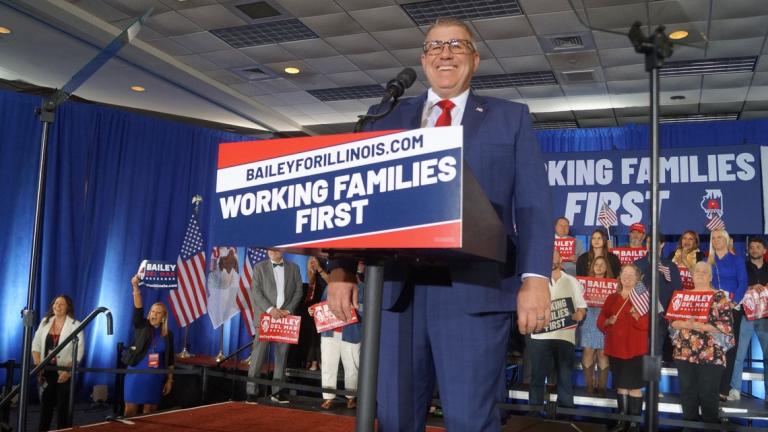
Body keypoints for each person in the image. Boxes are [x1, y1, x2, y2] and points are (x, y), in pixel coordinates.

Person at [326, 17, 553, 431]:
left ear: (476, 59)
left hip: (474, 292)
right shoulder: (386, 117)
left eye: (456, 45)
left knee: (469, 420)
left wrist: (535, 277)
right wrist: (341, 269)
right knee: (393, 418)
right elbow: (358, 196)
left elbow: (535, 205)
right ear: (423, 59)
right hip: (396, 294)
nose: (444, 53)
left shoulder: (510, 118)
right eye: (434, 46)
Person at [669, 261, 734, 428]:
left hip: (711, 354)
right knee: (687, 394)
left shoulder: (720, 296)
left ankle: (711, 428)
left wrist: (700, 326)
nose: (700, 273)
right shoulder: (682, 295)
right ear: (691, 275)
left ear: (711, 276)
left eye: (704, 271)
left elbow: (726, 325)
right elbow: (672, 322)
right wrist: (686, 325)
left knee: (708, 395)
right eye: (697, 271)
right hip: (684, 352)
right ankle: (688, 427)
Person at [528, 250, 586, 410]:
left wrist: (579, 314)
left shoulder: (573, 281)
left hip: (565, 336)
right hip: (540, 336)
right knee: (537, 377)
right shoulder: (535, 282)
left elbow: (582, 308)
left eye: (555, 257)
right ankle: (534, 412)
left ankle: (566, 413)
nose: (552, 260)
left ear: (561, 259)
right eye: (549, 256)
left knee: (565, 377)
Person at [247, 249, 303, 404]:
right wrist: (271, 310)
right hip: (265, 317)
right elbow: (256, 291)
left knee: (282, 356)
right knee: (258, 355)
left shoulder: (294, 268)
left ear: (282, 251)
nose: (270, 251)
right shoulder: (259, 267)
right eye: (268, 248)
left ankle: (277, 392)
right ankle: (251, 392)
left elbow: (299, 291)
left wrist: (288, 310)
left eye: (274, 248)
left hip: (285, 318)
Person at [597, 264, 649, 432]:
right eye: (624, 273)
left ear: (637, 278)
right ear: (619, 276)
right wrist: (607, 321)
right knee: (621, 386)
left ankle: (634, 423)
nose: (627, 277)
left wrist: (636, 317)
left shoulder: (643, 299)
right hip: (616, 348)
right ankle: (622, 421)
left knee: (634, 387)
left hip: (635, 349)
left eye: (631, 274)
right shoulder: (612, 298)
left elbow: (647, 325)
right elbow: (600, 320)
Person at [123, 275, 174, 417]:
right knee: (130, 411)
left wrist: (169, 380)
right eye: (152, 311)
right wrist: (135, 287)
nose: (154, 314)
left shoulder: (168, 335)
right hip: (136, 374)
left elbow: (169, 360)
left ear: (163, 317)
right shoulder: (142, 325)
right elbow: (138, 307)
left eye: (158, 313)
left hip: (155, 378)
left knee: (150, 412)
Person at [31, 295, 84, 431]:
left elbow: (78, 353)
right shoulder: (45, 322)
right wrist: (38, 367)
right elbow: (35, 346)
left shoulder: (75, 325)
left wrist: (68, 372)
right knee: (45, 408)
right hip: (46, 371)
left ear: (68, 308)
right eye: (56, 303)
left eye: (61, 304)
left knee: (63, 409)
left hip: (64, 373)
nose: (57, 306)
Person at [317, 261, 364, 410]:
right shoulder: (330, 286)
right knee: (328, 365)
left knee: (352, 367)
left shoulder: (363, 288)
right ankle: (328, 397)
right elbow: (322, 306)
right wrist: (315, 311)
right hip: (330, 333)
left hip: (351, 333)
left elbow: (366, 309)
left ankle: (351, 397)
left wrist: (355, 308)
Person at [708, 229, 747, 400]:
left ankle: (723, 390)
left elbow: (743, 282)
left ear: (726, 240)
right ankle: (711, 388)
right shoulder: (707, 260)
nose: (716, 240)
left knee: (729, 348)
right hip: (713, 310)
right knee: (713, 348)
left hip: (731, 309)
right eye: (713, 238)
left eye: (719, 237)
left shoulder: (736, 259)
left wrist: (733, 302)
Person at [728, 238, 768, 401]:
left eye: (758, 247)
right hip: (746, 315)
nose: (754, 250)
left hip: (766, 317)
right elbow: (736, 285)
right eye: (751, 247)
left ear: (764, 250)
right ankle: (735, 389)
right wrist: (751, 287)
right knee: (739, 354)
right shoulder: (742, 266)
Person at [634, 232, 681, 362]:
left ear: (662, 244)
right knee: (640, 350)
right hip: (640, 313)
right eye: (649, 242)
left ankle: (652, 381)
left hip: (661, 315)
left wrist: (671, 315)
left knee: (655, 352)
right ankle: (640, 381)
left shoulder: (670, 266)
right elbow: (631, 287)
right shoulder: (638, 264)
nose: (651, 245)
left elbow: (677, 291)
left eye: (655, 242)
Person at [579, 255, 614, 396]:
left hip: (604, 319)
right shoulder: (583, 284)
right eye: (596, 264)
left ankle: (601, 387)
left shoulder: (613, 284)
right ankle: (589, 385)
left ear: (607, 268)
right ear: (592, 267)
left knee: (603, 353)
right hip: (589, 317)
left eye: (602, 264)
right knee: (588, 351)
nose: (599, 266)